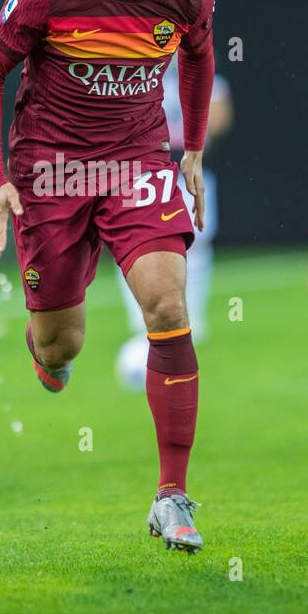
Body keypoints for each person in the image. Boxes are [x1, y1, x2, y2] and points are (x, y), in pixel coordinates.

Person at [0, 0, 215, 552]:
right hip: (52, 170)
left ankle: (173, 495)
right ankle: (44, 348)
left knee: (167, 308)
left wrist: (190, 148)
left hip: (137, 161)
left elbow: (198, 56)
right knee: (62, 346)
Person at [115, 63, 231, 388]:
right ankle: (143, 318)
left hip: (188, 165)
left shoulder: (204, 75)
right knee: (133, 241)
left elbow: (220, 119)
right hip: (145, 167)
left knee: (197, 239)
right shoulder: (136, 73)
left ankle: (194, 317)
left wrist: (185, 135)